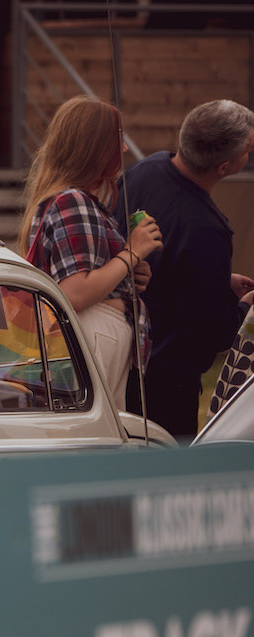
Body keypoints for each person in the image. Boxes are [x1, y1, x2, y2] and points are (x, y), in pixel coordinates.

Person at [117, 99, 254, 438]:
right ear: (223, 167)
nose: (250, 155)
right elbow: (216, 333)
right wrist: (243, 307)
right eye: (248, 149)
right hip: (167, 387)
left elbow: (162, 268)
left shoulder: (146, 169)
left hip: (120, 365)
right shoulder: (207, 230)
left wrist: (219, 280)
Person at [20, 96, 163, 412]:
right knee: (94, 440)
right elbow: (75, 292)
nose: (124, 150)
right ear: (97, 148)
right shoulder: (72, 200)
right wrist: (131, 252)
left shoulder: (71, 200)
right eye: (118, 140)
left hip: (91, 333)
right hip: (93, 333)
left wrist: (127, 268)